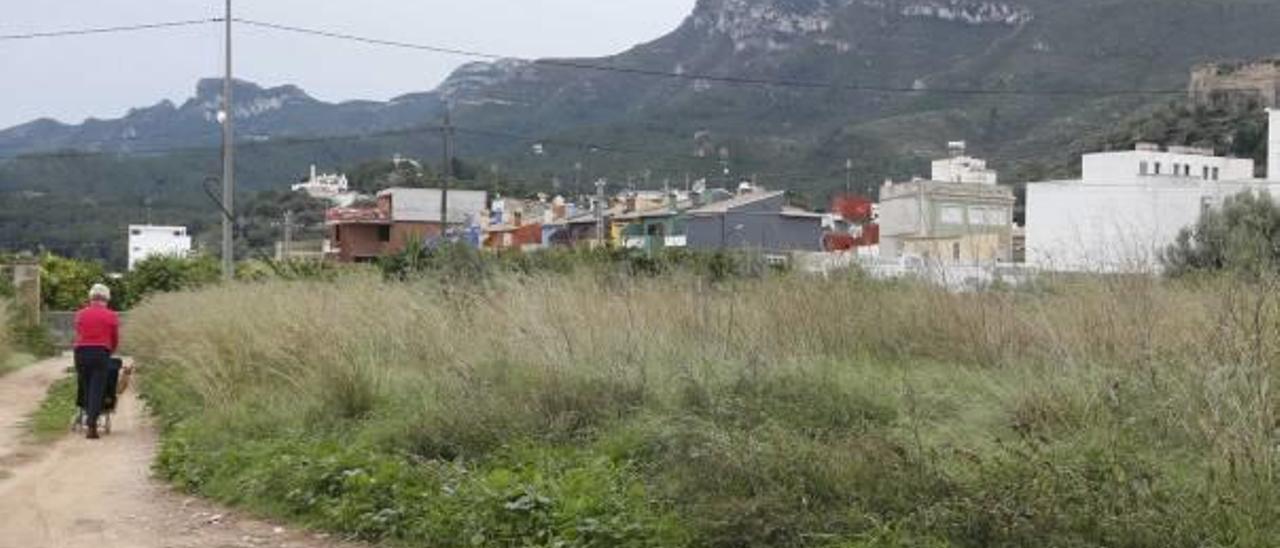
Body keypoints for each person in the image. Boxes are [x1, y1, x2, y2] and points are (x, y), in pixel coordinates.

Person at [73, 283, 119, 440]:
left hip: (81, 353)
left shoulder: (80, 314)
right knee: (97, 388)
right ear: (106, 298)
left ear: (91, 298)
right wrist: (109, 351)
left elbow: (79, 333)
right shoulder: (112, 315)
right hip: (101, 352)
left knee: (85, 386)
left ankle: (87, 415)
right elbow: (114, 338)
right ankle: (92, 423)